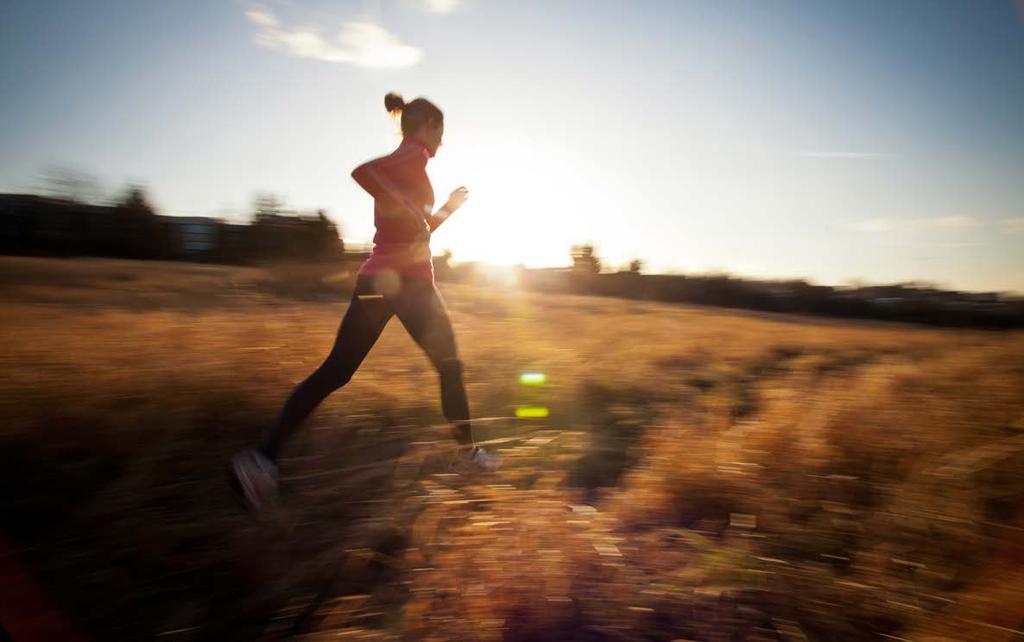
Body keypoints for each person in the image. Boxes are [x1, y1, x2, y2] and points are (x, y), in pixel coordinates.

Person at [230, 92, 501, 512]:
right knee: (449, 366)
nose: (442, 141)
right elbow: (363, 172)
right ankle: (469, 456)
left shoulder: (410, 165)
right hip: (407, 284)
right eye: (440, 131)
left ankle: (261, 460)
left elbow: (419, 229)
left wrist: (446, 208)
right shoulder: (410, 156)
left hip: (379, 279)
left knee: (335, 372)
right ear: (426, 126)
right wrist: (409, 210)